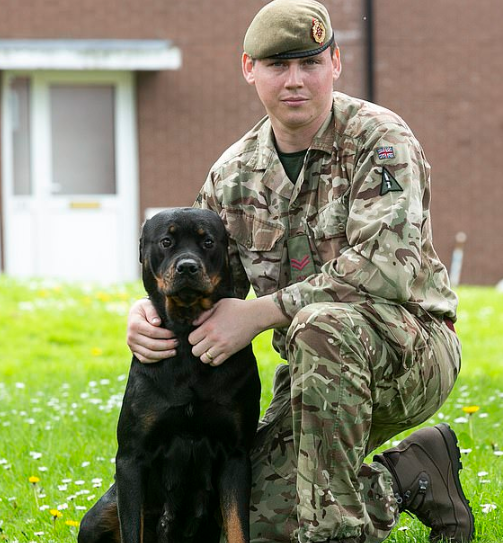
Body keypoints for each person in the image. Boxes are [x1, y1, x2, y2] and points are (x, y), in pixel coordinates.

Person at [127, 1, 474, 542]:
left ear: (335, 62)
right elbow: (206, 279)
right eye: (277, 65)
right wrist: (148, 314)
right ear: (249, 69)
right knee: (249, 521)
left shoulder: (381, 140)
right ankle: (410, 474)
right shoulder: (232, 175)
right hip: (311, 377)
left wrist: (266, 312)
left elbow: (385, 267)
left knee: (320, 326)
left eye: (310, 63)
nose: (295, 80)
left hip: (410, 353)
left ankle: (338, 536)